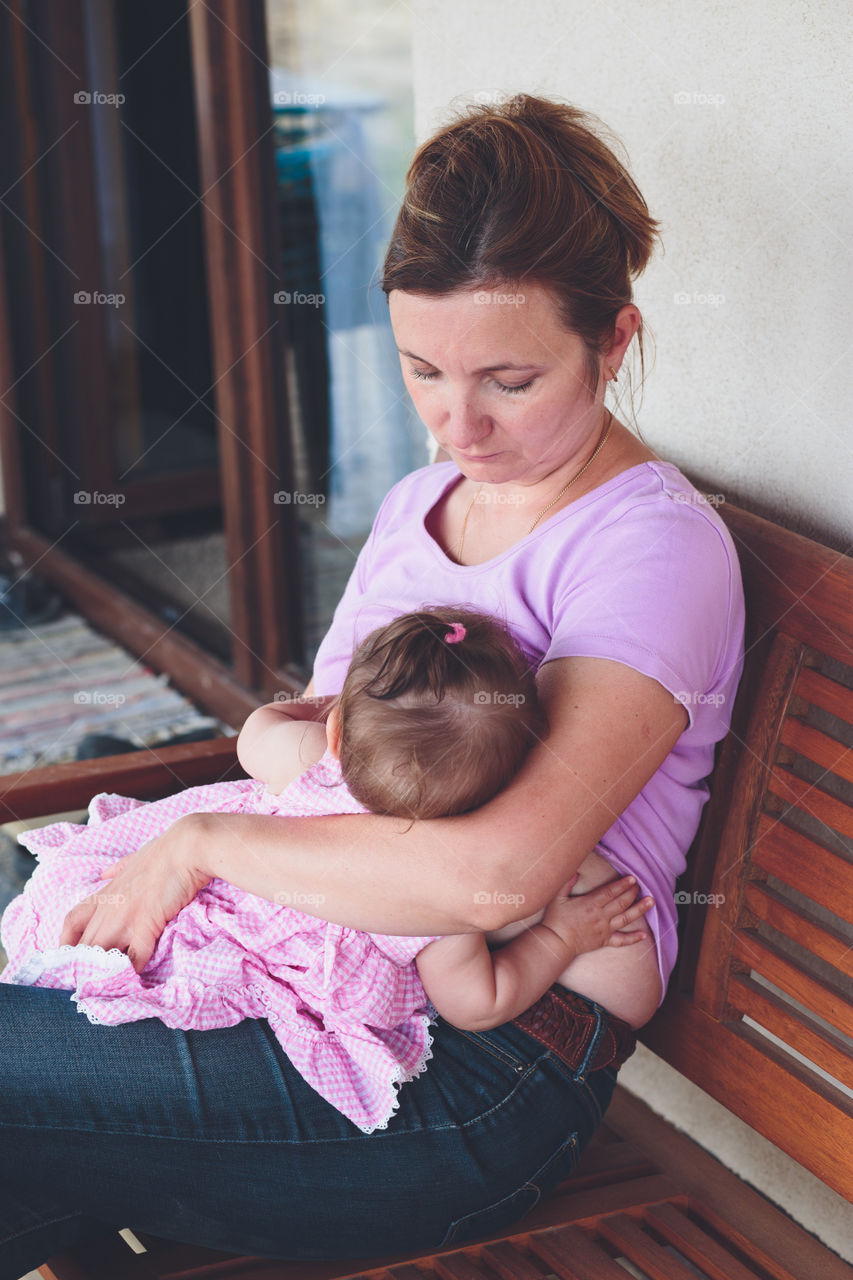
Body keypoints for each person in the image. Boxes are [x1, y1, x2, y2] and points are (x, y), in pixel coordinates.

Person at [0, 94, 745, 1274]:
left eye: (509, 378)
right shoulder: (419, 505)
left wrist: (200, 839)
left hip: (467, 1069)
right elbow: (316, 752)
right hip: (306, 967)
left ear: (612, 341)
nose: (461, 426)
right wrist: (281, 759)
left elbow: (492, 870)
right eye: (421, 373)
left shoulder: (649, 549)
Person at [1, 607, 652, 1135]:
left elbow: (257, 731)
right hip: (216, 969)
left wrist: (339, 716)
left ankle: (40, 958)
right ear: (506, 789)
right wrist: (561, 936)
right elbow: (476, 1004)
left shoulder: (314, 765)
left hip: (173, 913)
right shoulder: (432, 906)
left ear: (339, 733)